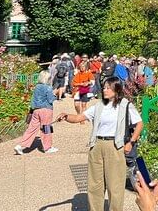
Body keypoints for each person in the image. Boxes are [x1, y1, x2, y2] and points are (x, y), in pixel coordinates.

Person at [57, 76, 143, 211]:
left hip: (115, 146)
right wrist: (66, 116)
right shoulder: (99, 106)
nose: (104, 90)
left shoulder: (125, 105)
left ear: (117, 89)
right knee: (95, 184)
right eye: (104, 87)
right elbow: (80, 117)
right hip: (97, 145)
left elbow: (139, 124)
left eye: (108, 88)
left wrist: (131, 142)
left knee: (115, 184)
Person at [15, 70, 58, 155]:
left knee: (31, 129)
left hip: (36, 110)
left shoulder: (37, 87)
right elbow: (50, 100)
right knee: (46, 129)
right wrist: (55, 95)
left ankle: (20, 145)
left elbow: (33, 100)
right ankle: (48, 148)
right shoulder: (48, 87)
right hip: (46, 110)